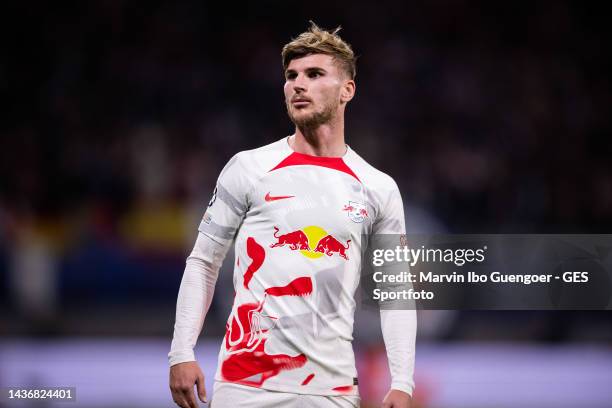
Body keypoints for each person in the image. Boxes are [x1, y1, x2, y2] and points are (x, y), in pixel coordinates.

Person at [168, 22, 416, 408]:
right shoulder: (249, 168)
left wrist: (402, 381)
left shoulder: (377, 188)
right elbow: (203, 262)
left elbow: (397, 293)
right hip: (245, 386)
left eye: (314, 74)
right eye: (291, 76)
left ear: (347, 90)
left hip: (332, 392)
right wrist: (181, 351)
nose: (298, 84)